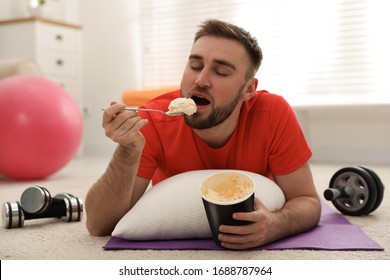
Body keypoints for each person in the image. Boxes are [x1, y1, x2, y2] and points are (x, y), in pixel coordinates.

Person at [85, 19, 321, 250]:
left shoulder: (273, 113)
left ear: (248, 89)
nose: (200, 80)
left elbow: (308, 201)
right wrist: (127, 150)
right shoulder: (153, 120)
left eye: (220, 71)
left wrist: (275, 225)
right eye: (195, 66)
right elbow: (98, 225)